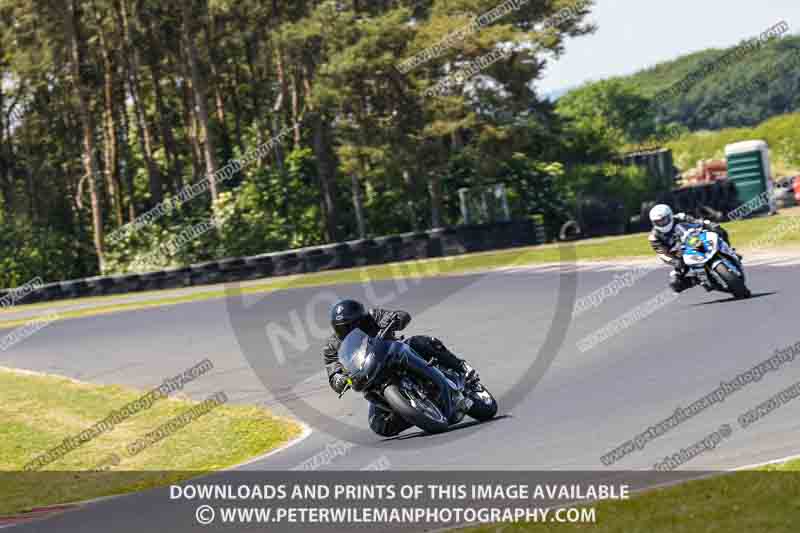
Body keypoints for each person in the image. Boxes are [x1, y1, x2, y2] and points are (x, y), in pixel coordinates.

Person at [323, 299, 478, 437]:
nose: (349, 330)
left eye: (352, 325)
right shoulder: (332, 346)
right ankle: (420, 413)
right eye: (343, 327)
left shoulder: (372, 316)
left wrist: (395, 318)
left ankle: (461, 367)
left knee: (419, 342)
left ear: (361, 319)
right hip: (369, 376)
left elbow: (400, 315)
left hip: (394, 355)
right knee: (379, 425)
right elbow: (332, 367)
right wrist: (338, 379)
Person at [648, 204, 739, 293]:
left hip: (695, 239)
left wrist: (707, 224)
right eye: (658, 222)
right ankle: (698, 280)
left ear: (670, 215)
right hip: (680, 255)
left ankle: (729, 251)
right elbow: (662, 254)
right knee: (675, 284)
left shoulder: (681, 217)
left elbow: (697, 221)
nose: (661, 223)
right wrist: (675, 261)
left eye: (663, 220)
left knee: (718, 229)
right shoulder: (654, 236)